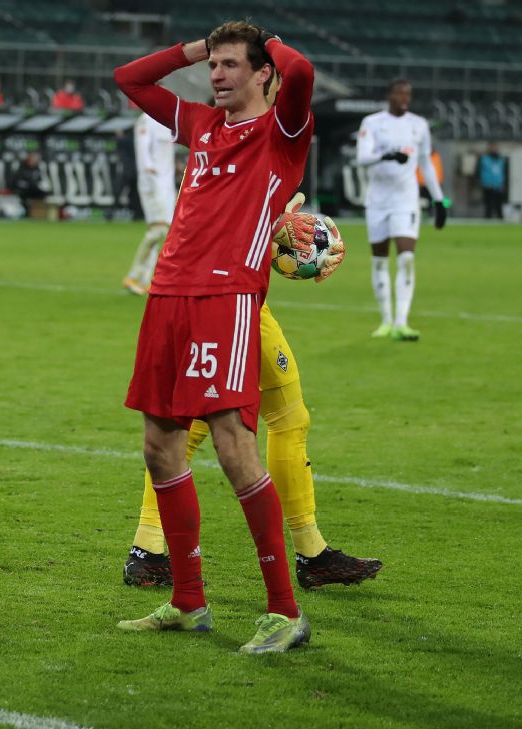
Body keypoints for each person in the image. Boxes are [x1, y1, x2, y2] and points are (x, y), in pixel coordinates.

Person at [114, 20, 331, 653]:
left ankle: (284, 611)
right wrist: (195, 48)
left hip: (226, 299)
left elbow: (302, 72)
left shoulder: (283, 131)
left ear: (263, 73)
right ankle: (188, 601)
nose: (216, 75)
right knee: (160, 446)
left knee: (234, 445)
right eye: (213, 65)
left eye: (231, 64)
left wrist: (271, 39)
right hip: (167, 295)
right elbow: (130, 79)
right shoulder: (202, 125)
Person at [122, 298, 382, 590]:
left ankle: (146, 548)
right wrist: (298, 264)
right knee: (285, 418)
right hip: (236, 304)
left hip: (187, 302)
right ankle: (309, 554)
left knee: (196, 417)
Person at [356, 78, 447, 342]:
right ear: (390, 96)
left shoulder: (419, 125)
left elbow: (426, 164)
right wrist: (386, 156)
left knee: (406, 258)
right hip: (377, 201)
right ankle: (385, 321)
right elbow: (362, 158)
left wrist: (439, 200)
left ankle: (401, 322)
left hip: (406, 201)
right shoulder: (372, 123)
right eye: (399, 94)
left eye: (408, 94)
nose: (404, 99)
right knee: (380, 260)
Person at [121, 113, 176, 295]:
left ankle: (147, 280)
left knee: (162, 233)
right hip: (153, 183)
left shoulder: (168, 119)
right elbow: (143, 150)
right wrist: (149, 174)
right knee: (159, 231)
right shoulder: (147, 119)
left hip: (167, 186)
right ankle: (134, 276)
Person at [9, 151, 48, 217]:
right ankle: (24, 212)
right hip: (23, 191)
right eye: (33, 158)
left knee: (43, 193)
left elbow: (40, 180)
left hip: (33, 189)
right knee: (22, 195)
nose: (34, 160)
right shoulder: (21, 167)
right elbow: (16, 182)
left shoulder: (37, 168)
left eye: (36, 159)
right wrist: (27, 184)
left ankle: (39, 212)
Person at [478, 143, 507, 220]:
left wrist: (503, 183)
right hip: (487, 184)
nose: (494, 149)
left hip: (498, 185)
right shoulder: (484, 159)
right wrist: (481, 181)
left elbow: (503, 172)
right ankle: (488, 219)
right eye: (492, 147)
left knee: (499, 204)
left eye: (495, 148)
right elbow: (479, 171)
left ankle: (500, 218)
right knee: (488, 204)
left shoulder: (500, 159)